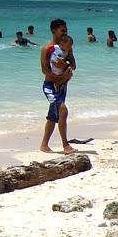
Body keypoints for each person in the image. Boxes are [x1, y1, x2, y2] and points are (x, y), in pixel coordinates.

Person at [40, 19, 76, 154]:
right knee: (63, 111)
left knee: (53, 115)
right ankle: (65, 145)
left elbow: (73, 65)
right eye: (62, 30)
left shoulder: (67, 48)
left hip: (62, 87)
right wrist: (61, 78)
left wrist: (65, 68)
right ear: (53, 31)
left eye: (66, 30)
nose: (65, 33)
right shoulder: (46, 49)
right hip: (50, 86)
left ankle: (44, 145)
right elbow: (45, 71)